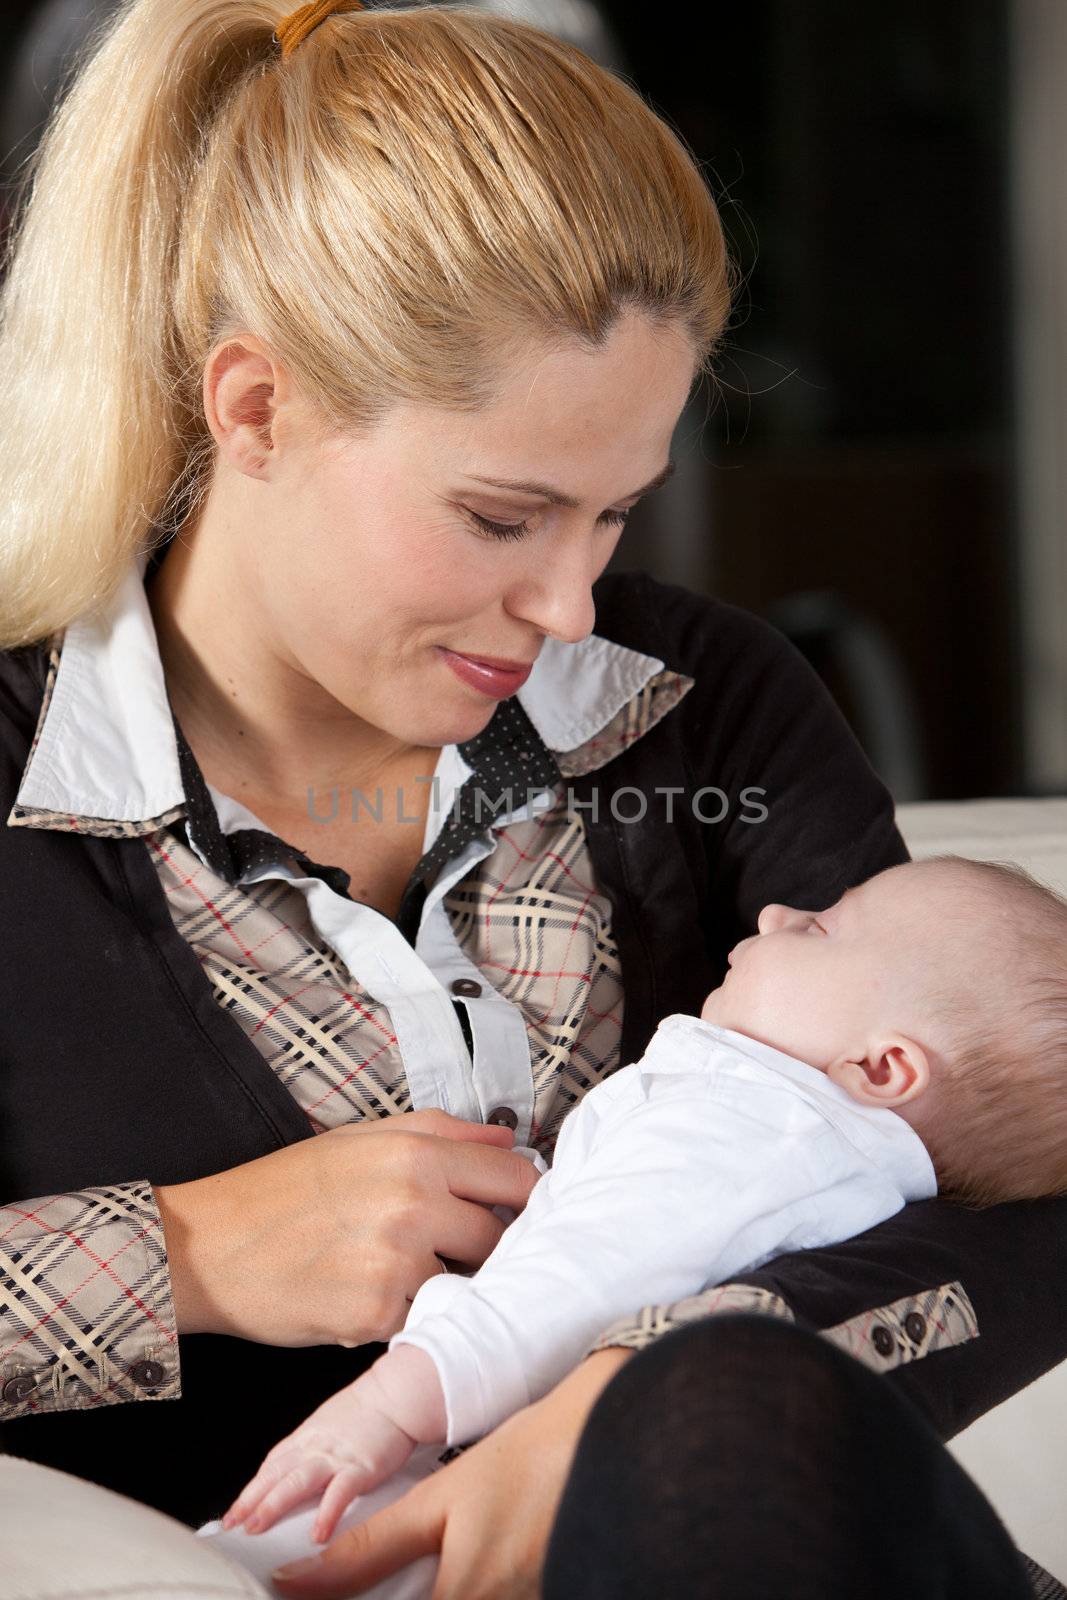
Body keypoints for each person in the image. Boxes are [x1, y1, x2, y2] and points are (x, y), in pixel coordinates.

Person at [0, 2, 1062, 1597]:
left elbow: (1014, 1190)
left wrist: (657, 1377)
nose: (572, 604)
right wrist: (187, 1258)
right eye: (504, 517)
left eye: (616, 515)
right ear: (253, 409)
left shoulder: (711, 709)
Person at [203, 853, 1066, 1592]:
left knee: (255, 1564)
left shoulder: (750, 1122)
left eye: (824, 929)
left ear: (882, 1066)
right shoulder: (833, 1165)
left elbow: (577, 1278)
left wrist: (384, 1410)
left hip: (493, 1467)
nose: (776, 910)